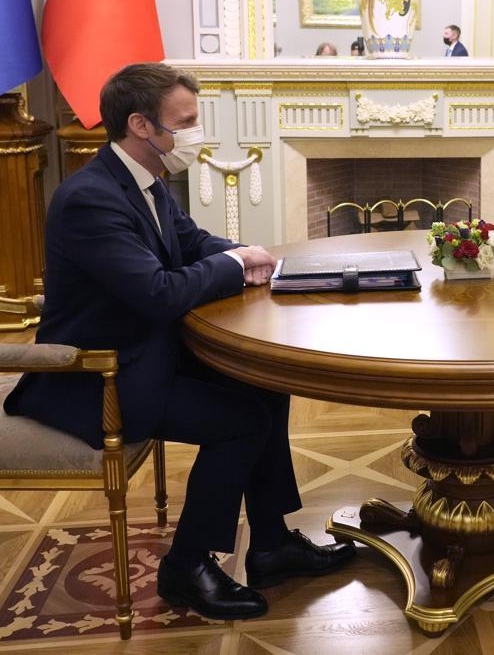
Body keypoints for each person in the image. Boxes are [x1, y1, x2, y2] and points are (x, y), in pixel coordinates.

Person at [2, 63, 356, 619]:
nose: (196, 132)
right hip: (97, 376)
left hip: (147, 353)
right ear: (141, 125)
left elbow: (191, 242)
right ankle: (186, 566)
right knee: (242, 421)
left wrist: (245, 253)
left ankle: (271, 544)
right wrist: (234, 266)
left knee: (266, 382)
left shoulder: (144, 180)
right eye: (186, 122)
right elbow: (158, 293)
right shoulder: (90, 199)